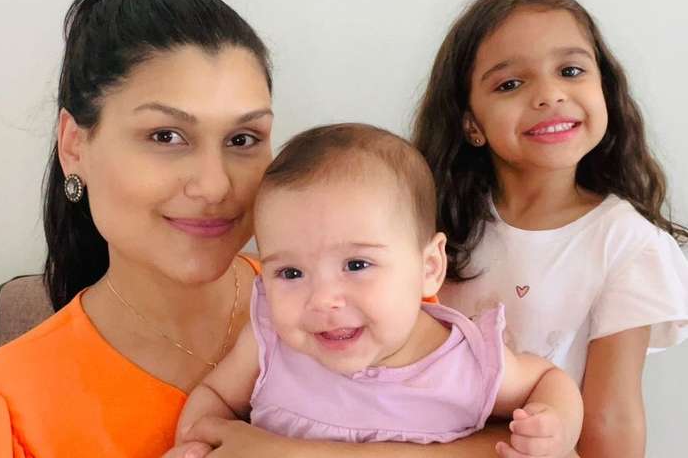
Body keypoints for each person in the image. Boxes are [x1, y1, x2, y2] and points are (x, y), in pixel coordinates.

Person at [0, 0, 274, 457]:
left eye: (243, 139)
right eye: (165, 136)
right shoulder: (2, 411)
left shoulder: (351, 300)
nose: (215, 186)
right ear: (74, 146)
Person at [176, 123, 583, 458]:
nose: (323, 300)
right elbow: (216, 396)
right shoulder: (271, 343)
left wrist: (555, 425)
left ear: (429, 267)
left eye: (356, 265)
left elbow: (546, 379)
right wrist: (194, 445)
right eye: (291, 272)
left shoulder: (468, 364)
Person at [412, 0, 688, 456]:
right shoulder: (428, 223)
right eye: (510, 84)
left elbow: (610, 419)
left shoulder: (627, 242)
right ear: (471, 123)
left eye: (570, 71)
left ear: (604, 88)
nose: (549, 95)